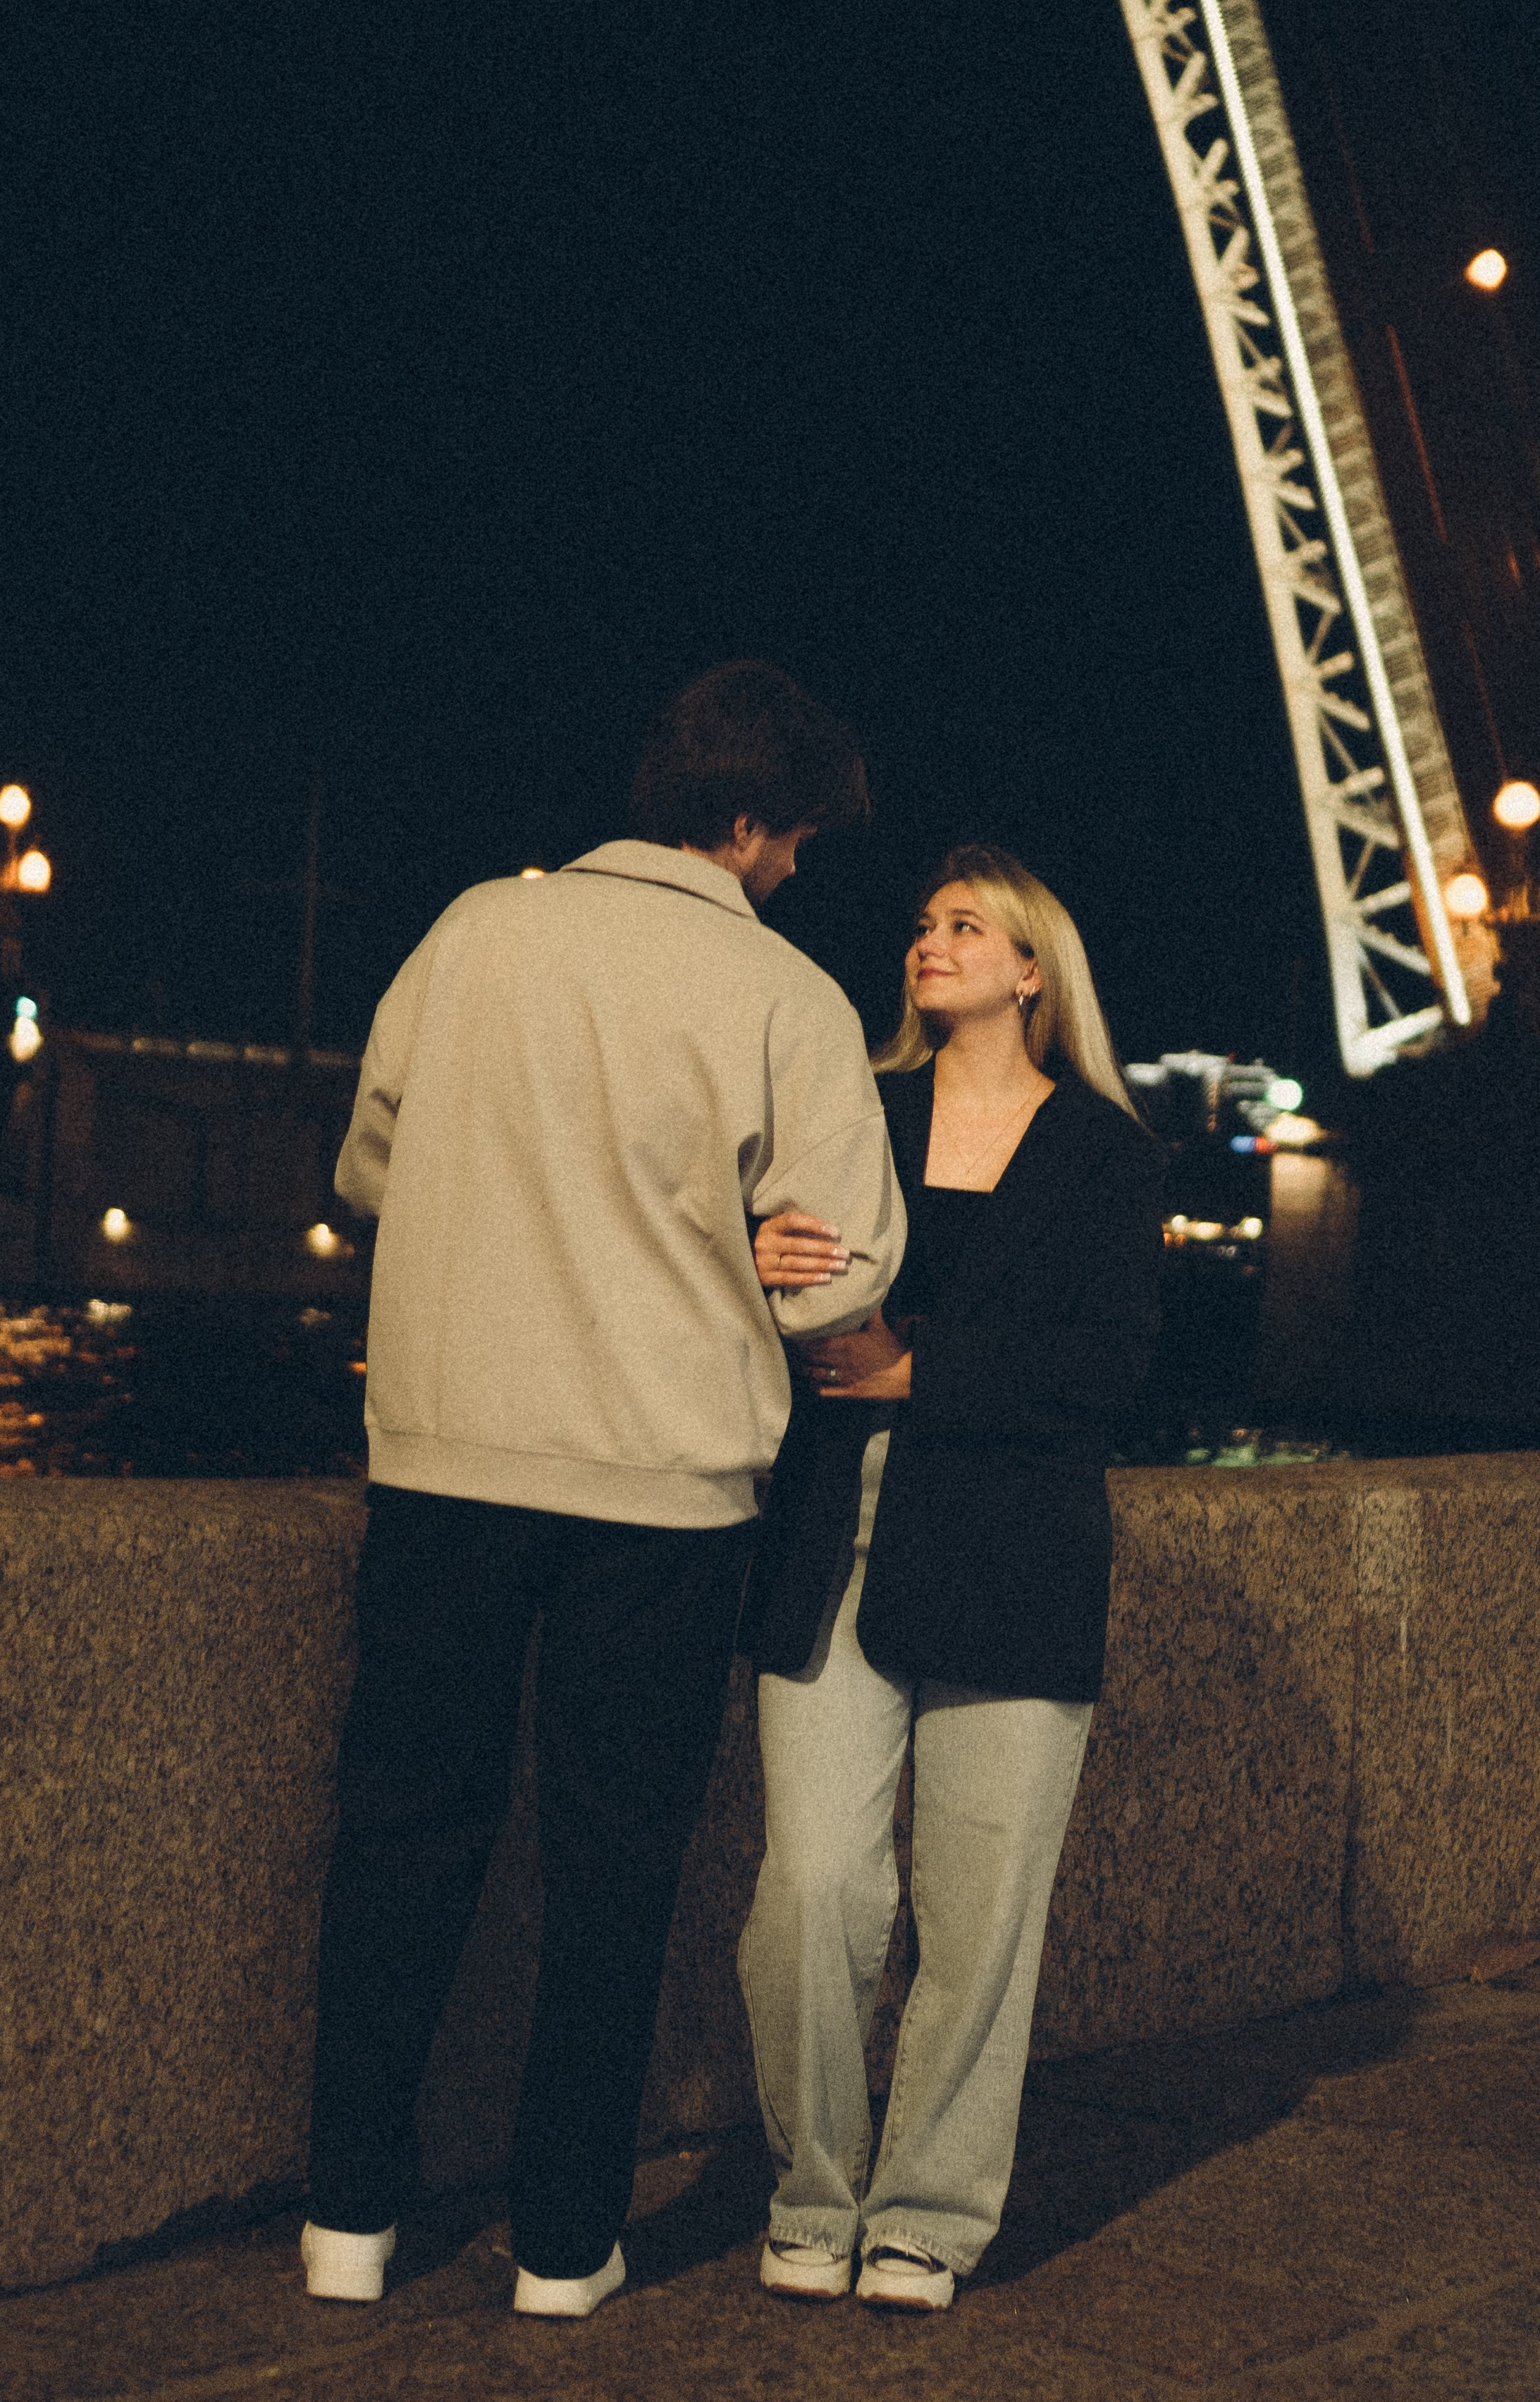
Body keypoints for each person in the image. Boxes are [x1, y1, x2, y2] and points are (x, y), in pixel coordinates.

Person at [300, 663, 906, 2320]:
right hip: (666, 1487)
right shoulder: (782, 995)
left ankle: (348, 2217)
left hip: (447, 1457)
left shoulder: (475, 928)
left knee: (404, 1832)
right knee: (612, 1866)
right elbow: (840, 1268)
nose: (793, 870)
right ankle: (564, 2242)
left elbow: (370, 1161)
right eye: (790, 840)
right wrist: (754, 1255)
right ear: (744, 822)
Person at [737, 845, 1163, 2312]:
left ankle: (923, 2214)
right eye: (922, 923)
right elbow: (766, 1281)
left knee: (981, 1915)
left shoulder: (1107, 1152)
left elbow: (1112, 1364)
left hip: (1010, 1549)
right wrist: (757, 1251)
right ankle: (810, 2186)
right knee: (812, 1891)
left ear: (1032, 971)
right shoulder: (856, 1105)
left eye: (965, 926)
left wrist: (920, 1369)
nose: (930, 941)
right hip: (828, 1544)